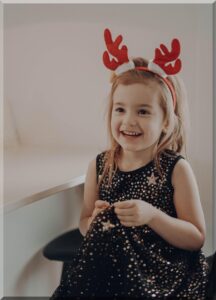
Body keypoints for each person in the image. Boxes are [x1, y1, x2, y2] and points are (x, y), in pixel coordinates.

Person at [50, 28, 210, 299]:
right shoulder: (100, 166)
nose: (128, 121)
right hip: (111, 273)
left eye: (143, 111)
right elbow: (84, 221)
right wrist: (96, 220)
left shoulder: (175, 168)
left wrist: (153, 216)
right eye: (120, 109)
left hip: (162, 275)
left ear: (166, 122)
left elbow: (196, 237)